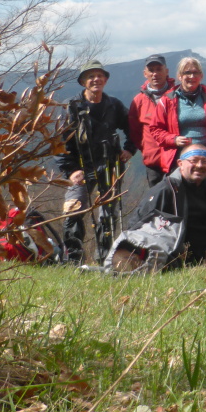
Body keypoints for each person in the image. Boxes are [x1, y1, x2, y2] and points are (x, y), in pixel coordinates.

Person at [57, 60, 136, 263]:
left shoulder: (114, 105)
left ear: (106, 80)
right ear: (83, 82)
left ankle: (104, 259)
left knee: (107, 214)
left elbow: (133, 128)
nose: (96, 80)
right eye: (90, 76)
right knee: (73, 209)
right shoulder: (72, 106)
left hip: (110, 165)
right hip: (80, 167)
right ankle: (73, 259)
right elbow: (59, 142)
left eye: (100, 75)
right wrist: (71, 170)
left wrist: (129, 149)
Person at [149, 56, 206, 176]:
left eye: (195, 72)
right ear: (180, 76)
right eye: (187, 72)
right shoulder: (167, 100)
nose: (192, 76)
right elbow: (155, 129)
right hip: (180, 159)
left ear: (201, 76)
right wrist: (174, 139)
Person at [128, 54, 176, 187]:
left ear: (166, 71)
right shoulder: (138, 101)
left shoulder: (177, 95)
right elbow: (135, 131)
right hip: (153, 162)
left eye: (159, 69)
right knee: (155, 198)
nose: (155, 74)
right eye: (151, 70)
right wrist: (147, 149)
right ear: (145, 73)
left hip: (176, 160)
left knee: (178, 197)